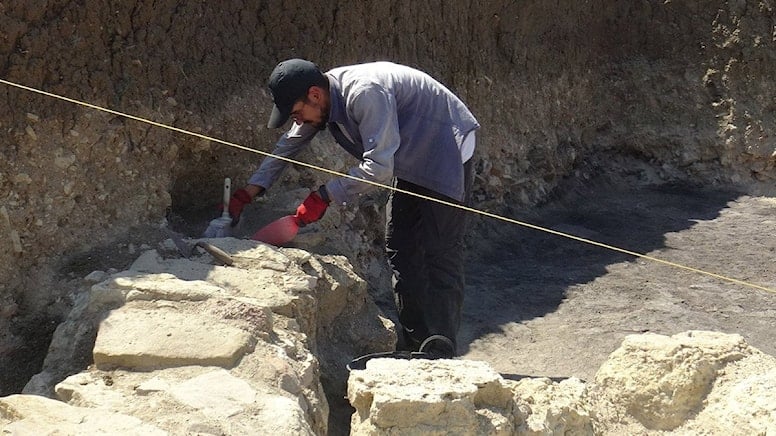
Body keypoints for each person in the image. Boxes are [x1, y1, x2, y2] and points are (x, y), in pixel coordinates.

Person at [229, 59, 479, 358]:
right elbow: (289, 144)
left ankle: (441, 347)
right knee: (399, 245)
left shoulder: (364, 93)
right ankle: (417, 343)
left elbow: (379, 168)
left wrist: (325, 195)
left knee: (439, 248)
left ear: (314, 95)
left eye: (297, 114)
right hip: (411, 154)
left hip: (445, 145)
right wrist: (252, 189)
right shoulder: (322, 103)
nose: (299, 122)